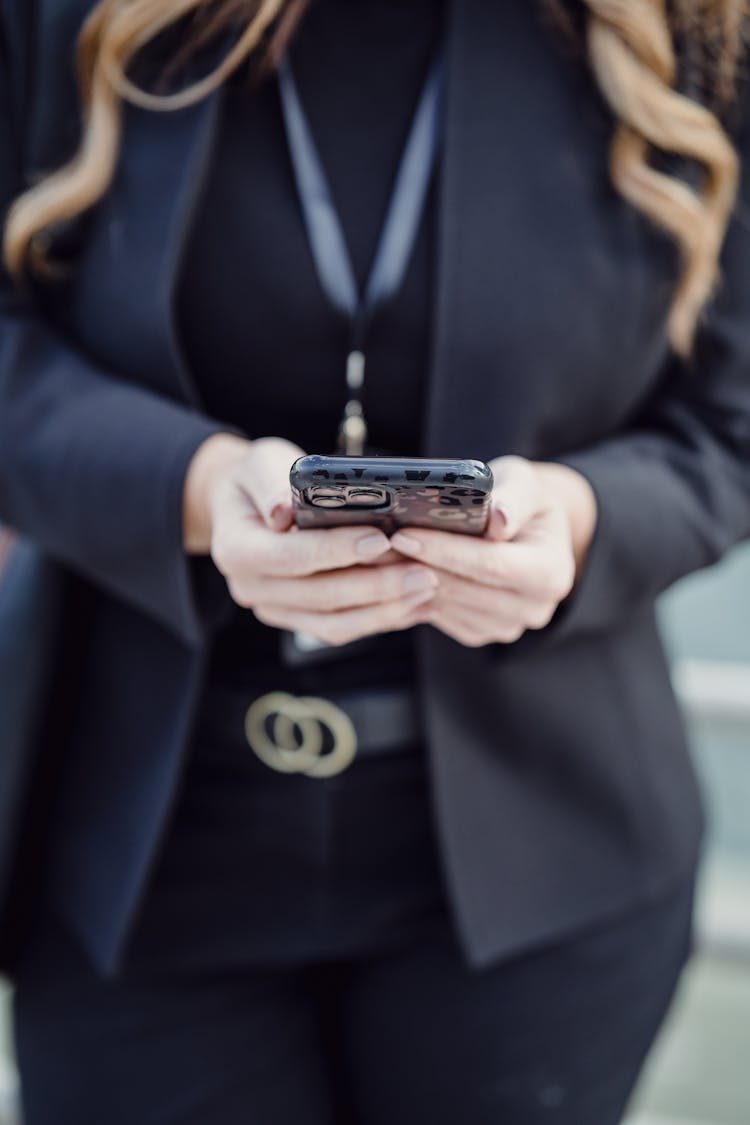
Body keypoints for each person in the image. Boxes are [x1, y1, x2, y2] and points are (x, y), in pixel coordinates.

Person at [1, 0, 749, 1122]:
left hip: (543, 874)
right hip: (133, 851)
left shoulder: (697, 29)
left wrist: (578, 519)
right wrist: (195, 490)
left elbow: (727, 427)